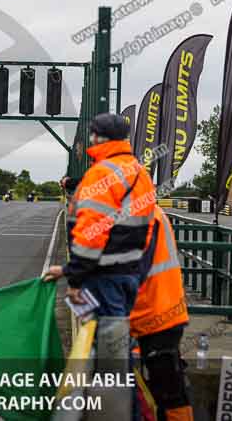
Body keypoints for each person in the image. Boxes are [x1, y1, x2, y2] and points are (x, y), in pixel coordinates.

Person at [44, 113, 156, 319]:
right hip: (131, 273)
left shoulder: (101, 173)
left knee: (107, 342)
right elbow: (148, 229)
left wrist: (75, 278)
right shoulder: (140, 173)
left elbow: (91, 233)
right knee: (119, 338)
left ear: (98, 138)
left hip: (103, 276)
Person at [130, 205, 192, 421]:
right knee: (169, 387)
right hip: (161, 313)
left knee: (168, 391)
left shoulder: (137, 216)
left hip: (155, 315)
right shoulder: (149, 211)